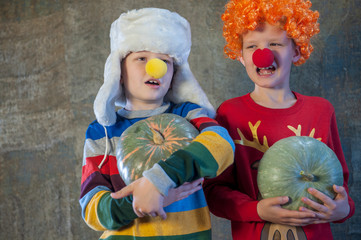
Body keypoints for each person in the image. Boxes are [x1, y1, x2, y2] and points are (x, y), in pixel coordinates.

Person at [203, 0, 355, 239]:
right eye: (252, 46)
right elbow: (214, 192)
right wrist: (257, 210)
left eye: (275, 43)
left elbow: (340, 185)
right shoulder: (228, 114)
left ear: (296, 50)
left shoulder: (321, 110)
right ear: (240, 56)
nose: (263, 54)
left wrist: (344, 209)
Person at [79, 8, 235, 240]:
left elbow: (222, 144)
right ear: (119, 71)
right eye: (141, 58)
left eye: (165, 61)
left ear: (175, 74)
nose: (155, 68)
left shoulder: (189, 115)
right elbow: (92, 210)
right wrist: (140, 200)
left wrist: (160, 180)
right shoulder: (101, 131)